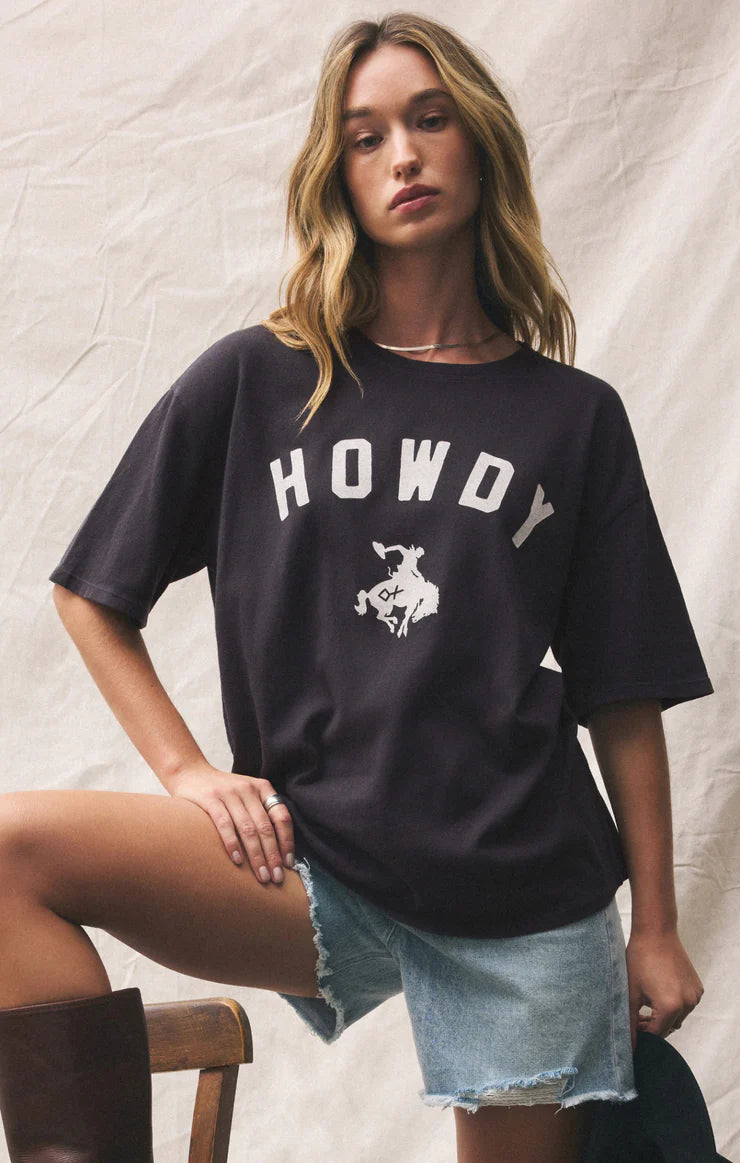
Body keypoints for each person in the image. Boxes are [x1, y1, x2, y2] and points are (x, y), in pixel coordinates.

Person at [0, 12, 714, 1163]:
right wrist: (189, 773)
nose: (403, 155)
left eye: (429, 120)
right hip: (314, 860)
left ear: (478, 142)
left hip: (524, 893)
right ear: (335, 174)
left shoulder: (571, 418)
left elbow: (621, 691)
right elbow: (93, 592)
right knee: (10, 851)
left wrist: (657, 925)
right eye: (365, 136)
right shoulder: (260, 379)